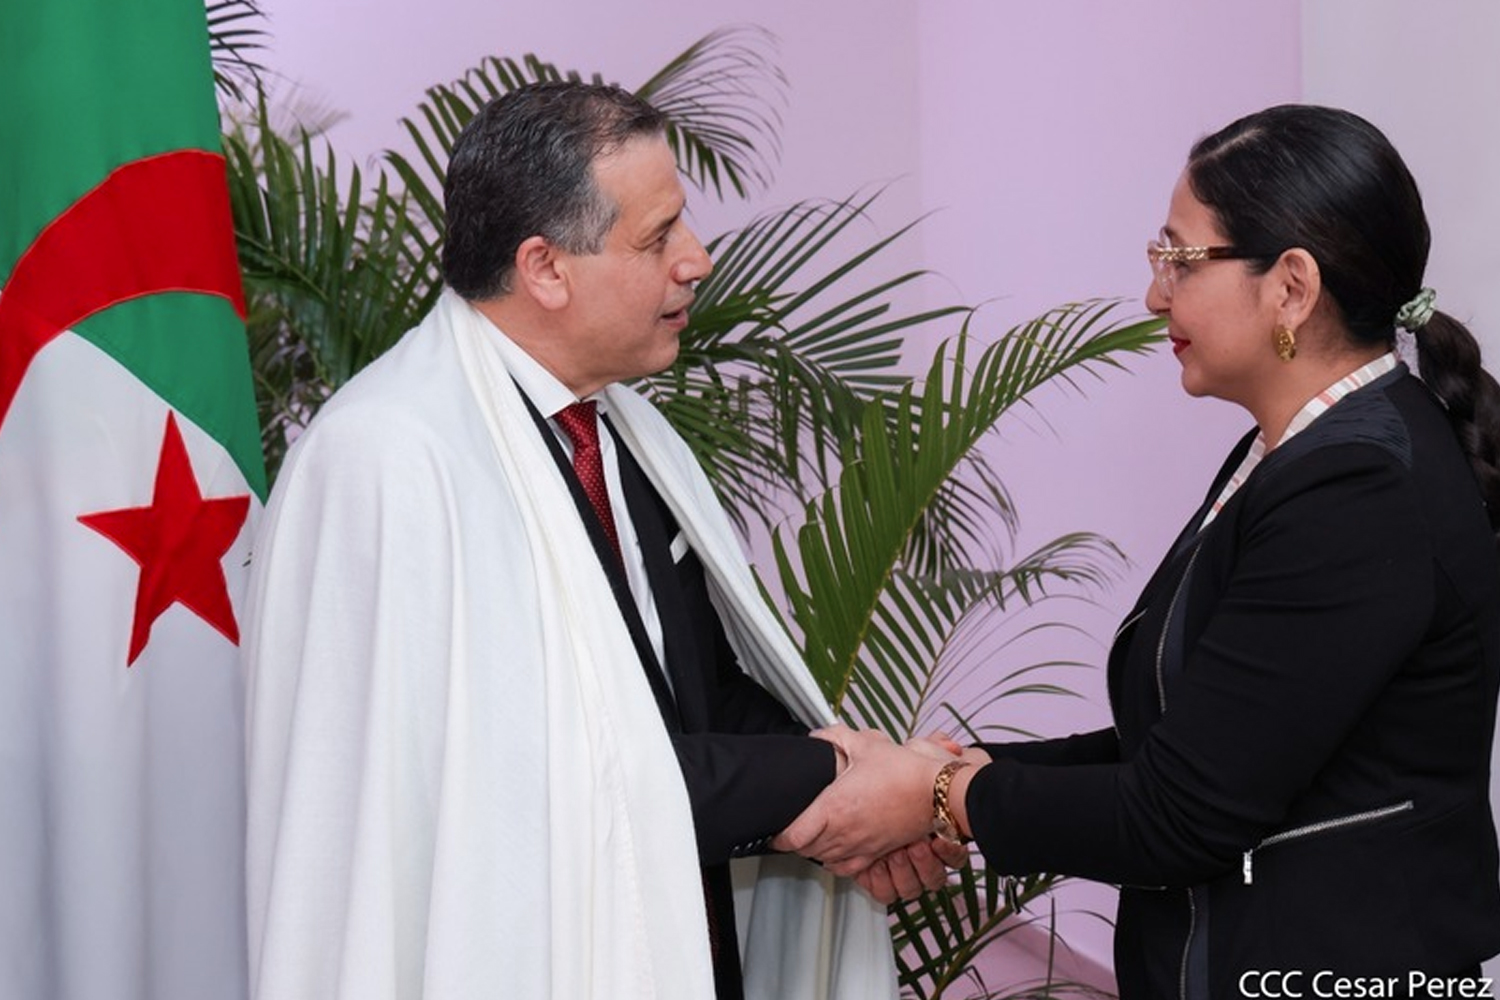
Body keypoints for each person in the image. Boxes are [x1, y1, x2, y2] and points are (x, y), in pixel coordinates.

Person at [242, 81, 948, 1000]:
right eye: (658, 238)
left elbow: (696, 693)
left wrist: (863, 789)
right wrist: (842, 777)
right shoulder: (387, 461)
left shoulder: (623, 432)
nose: (695, 261)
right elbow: (526, 786)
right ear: (544, 267)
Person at [774, 104, 1500, 996]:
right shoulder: (1297, 449)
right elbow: (1194, 740)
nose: (1156, 294)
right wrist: (963, 773)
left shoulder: (1358, 486)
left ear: (1292, 287)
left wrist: (934, 798)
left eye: (1179, 259)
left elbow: (1177, 817)